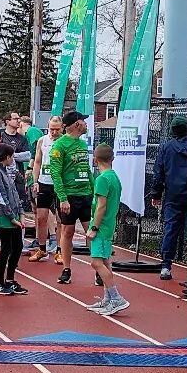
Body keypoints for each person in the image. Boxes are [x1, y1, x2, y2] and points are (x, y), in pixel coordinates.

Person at [51, 110, 94, 286]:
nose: (86, 124)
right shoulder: (60, 146)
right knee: (67, 231)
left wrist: (94, 189)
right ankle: (66, 269)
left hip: (86, 195)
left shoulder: (83, 145)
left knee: (92, 232)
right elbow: (55, 172)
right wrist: (63, 198)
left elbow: (87, 169)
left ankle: (98, 268)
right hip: (69, 196)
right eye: (83, 121)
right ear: (77, 124)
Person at [150, 116, 187, 281]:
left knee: (170, 230)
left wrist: (156, 193)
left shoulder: (166, 147)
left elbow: (158, 171)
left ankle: (166, 266)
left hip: (173, 195)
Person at [86, 144, 128, 314]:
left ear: (95, 160)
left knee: (96, 262)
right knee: (104, 262)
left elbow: (101, 206)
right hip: (108, 225)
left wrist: (94, 227)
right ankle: (108, 299)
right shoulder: (114, 177)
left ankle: (116, 298)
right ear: (112, 159)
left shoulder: (102, 179)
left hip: (102, 227)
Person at [0, 143, 28, 295]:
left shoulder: (5, 171)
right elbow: (0, 196)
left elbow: (15, 194)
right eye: (12, 156)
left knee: (17, 246)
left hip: (14, 214)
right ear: (7, 156)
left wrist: (21, 213)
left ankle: (10, 279)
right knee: (6, 248)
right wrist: (11, 216)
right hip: (4, 216)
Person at [28, 115, 63, 261]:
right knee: (41, 217)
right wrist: (35, 181)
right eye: (51, 129)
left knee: (61, 219)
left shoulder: (65, 142)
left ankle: (60, 251)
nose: (54, 132)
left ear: (62, 128)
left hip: (60, 184)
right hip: (44, 182)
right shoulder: (42, 140)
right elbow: (37, 161)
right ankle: (42, 249)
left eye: (57, 129)